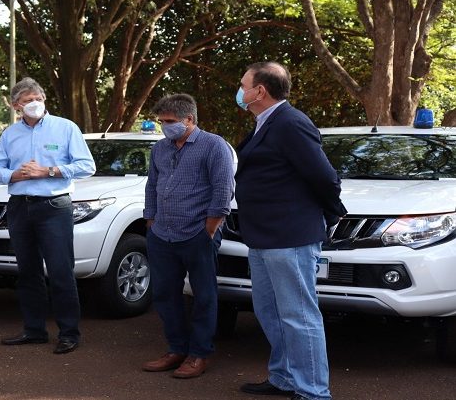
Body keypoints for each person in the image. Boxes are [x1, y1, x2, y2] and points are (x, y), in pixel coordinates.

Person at [235, 62, 347, 400]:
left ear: (260, 91)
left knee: (298, 315)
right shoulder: (265, 124)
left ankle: (313, 391)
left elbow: (325, 178)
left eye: (243, 85)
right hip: (263, 236)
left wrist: (329, 214)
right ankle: (284, 378)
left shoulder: (290, 122)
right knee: (270, 313)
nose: (239, 91)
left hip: (290, 236)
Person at [0, 77, 95, 354]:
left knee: (60, 271)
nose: (33, 104)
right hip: (19, 206)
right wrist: (14, 174)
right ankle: (34, 330)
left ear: (44, 99)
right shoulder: (10, 134)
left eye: (37, 98)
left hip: (53, 206)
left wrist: (48, 171)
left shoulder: (65, 127)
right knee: (27, 272)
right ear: (15, 106)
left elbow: (86, 166)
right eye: (26, 101)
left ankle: (69, 333)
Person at [141, 93, 235, 379]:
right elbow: (152, 185)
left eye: (169, 121)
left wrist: (209, 229)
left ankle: (199, 354)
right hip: (162, 234)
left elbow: (223, 190)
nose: (165, 127)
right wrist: (150, 221)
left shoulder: (213, 145)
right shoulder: (160, 148)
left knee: (204, 295)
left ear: (189, 119)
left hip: (197, 234)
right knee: (164, 294)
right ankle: (176, 349)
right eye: (162, 122)